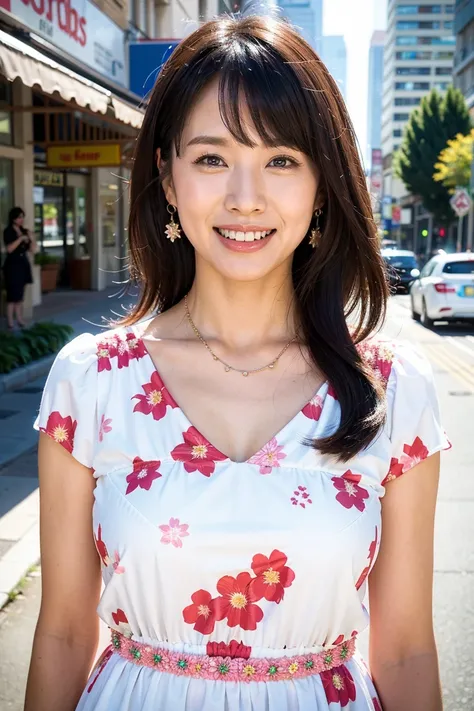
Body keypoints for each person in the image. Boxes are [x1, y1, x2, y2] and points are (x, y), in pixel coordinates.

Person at [25, 15, 450, 711]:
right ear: (166, 175)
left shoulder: (393, 390)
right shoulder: (91, 379)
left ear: (322, 184)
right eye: (212, 158)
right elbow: (66, 633)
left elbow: (405, 648)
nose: (245, 196)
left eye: (282, 159)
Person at [2, 206, 35, 329]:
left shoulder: (25, 230)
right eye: (19, 217)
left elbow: (32, 250)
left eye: (22, 217)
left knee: (20, 294)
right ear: (13, 218)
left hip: (23, 264)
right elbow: (9, 249)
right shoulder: (8, 231)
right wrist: (20, 238)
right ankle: (10, 321)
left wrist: (31, 239)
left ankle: (19, 318)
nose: (21, 219)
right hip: (12, 265)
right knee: (12, 294)